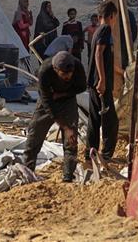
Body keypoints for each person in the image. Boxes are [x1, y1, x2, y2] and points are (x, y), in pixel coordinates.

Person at [23, 51, 87, 182]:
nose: (67, 78)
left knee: (71, 139)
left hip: (67, 99)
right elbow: (46, 101)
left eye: (70, 75)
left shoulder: (77, 66)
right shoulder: (44, 71)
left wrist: (62, 94)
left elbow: (82, 87)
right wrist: (64, 126)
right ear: (55, 69)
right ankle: (27, 171)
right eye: (63, 75)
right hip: (48, 101)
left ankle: (68, 176)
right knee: (35, 133)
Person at [87, 1, 119, 160]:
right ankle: (106, 155)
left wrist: (119, 71)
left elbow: (104, 57)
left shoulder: (98, 31)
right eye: (115, 19)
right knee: (110, 121)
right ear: (112, 16)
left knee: (95, 119)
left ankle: (90, 153)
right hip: (100, 84)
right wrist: (102, 80)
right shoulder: (106, 29)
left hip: (94, 82)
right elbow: (99, 54)